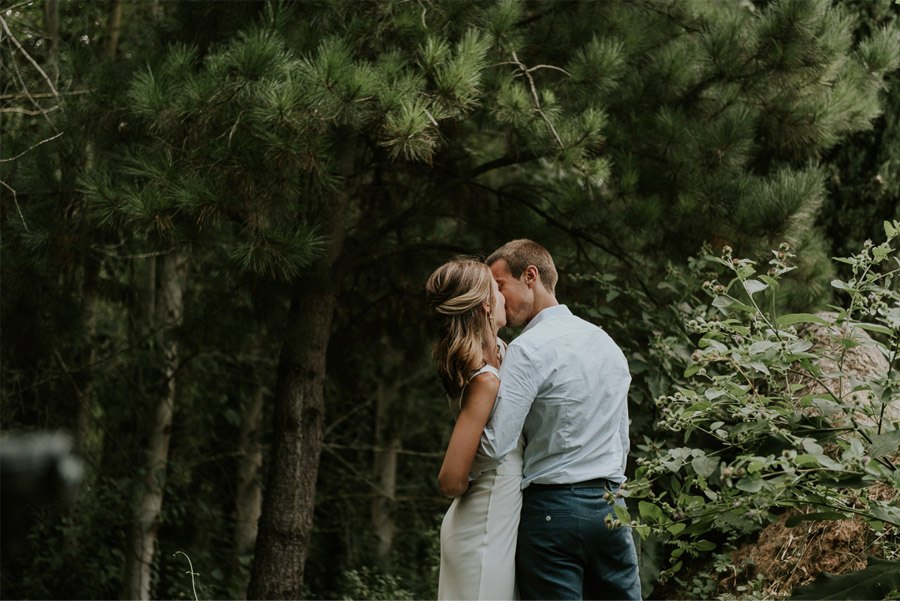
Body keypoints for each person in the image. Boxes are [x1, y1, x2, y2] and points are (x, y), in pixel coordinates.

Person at [481, 239, 641, 600]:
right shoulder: (606, 344)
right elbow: (622, 440)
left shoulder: (527, 348)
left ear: (530, 276)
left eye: (500, 286)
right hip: (611, 508)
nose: (496, 300)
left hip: (552, 512)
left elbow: (496, 444)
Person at [425, 257, 524, 601]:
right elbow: (450, 479)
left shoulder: (502, 354)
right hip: (482, 526)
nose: (503, 294)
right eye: (497, 288)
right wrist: (486, 476)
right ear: (485, 303)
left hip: (499, 523)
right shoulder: (484, 380)